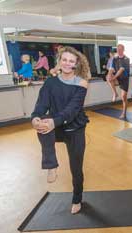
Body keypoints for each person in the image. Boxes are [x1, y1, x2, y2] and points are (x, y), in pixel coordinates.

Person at [31, 46, 90, 214]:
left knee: (76, 168)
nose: (67, 63)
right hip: (56, 125)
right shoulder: (51, 82)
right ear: (59, 61)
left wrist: (53, 122)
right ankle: (51, 165)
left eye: (71, 61)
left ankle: (77, 199)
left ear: (76, 64)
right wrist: (36, 117)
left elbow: (72, 110)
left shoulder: (81, 83)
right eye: (64, 59)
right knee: (42, 122)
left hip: (74, 128)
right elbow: (42, 104)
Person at [108, 44, 130, 118]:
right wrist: (109, 75)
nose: (119, 51)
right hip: (117, 78)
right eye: (118, 49)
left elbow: (121, 70)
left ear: (123, 50)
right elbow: (111, 68)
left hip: (124, 79)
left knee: (123, 97)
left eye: (120, 49)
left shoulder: (126, 59)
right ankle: (115, 93)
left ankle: (124, 113)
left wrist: (113, 78)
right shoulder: (114, 58)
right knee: (108, 78)